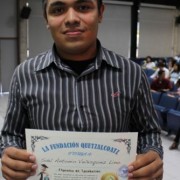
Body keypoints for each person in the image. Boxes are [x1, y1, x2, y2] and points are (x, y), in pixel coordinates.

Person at [0, 0, 163, 179]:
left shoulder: (132, 74)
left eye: (83, 7)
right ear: (46, 18)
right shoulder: (24, 74)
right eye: (58, 9)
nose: (71, 18)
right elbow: (11, 134)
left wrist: (152, 154)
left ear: (100, 12)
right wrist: (10, 152)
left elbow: (148, 132)